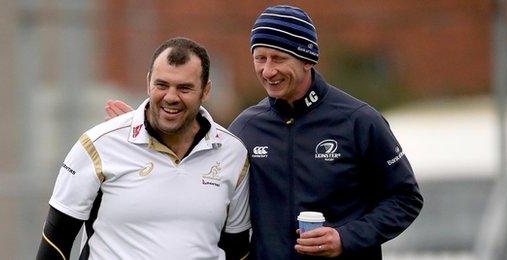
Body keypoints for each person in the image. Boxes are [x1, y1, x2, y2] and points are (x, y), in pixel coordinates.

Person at [105, 5, 423, 260]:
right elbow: (201, 182)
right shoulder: (246, 127)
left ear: (307, 59)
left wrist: (346, 238)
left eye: (278, 59)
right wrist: (151, 136)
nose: (267, 71)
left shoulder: (359, 121)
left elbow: (405, 199)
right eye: (260, 58)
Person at [37, 37, 251, 260]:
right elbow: (56, 240)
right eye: (162, 85)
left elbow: (238, 250)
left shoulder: (233, 154)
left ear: (205, 91)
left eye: (184, 88)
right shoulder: (98, 144)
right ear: (149, 82)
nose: (170, 97)